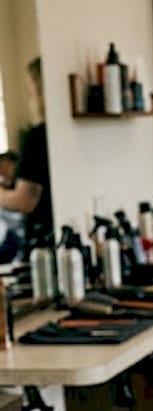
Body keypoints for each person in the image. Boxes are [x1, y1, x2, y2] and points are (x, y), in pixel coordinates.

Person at [0, 58, 52, 261]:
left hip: (43, 245)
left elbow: (25, 201)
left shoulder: (37, 137)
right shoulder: (59, 134)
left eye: (31, 90)